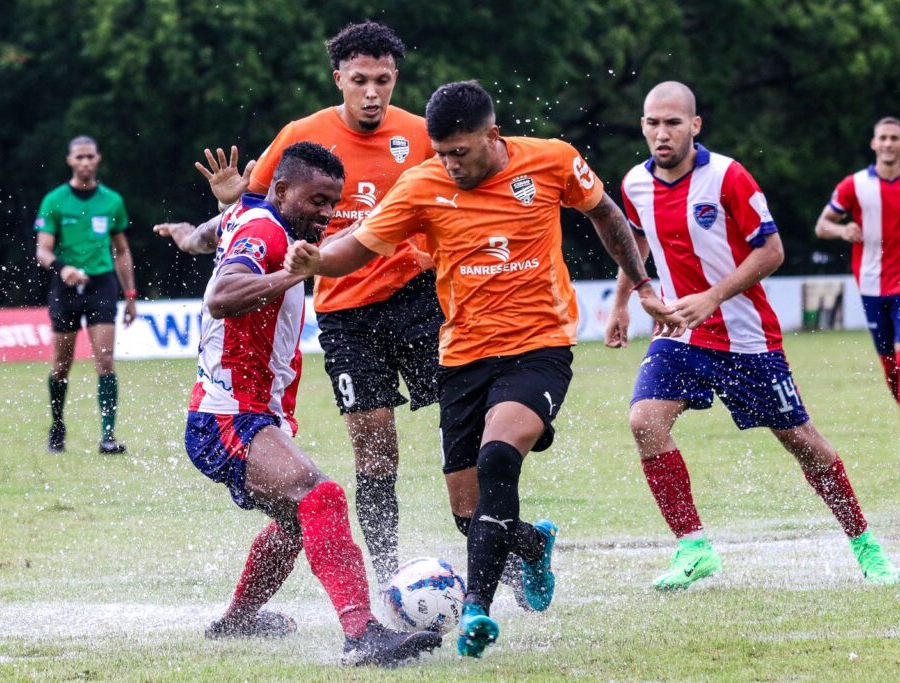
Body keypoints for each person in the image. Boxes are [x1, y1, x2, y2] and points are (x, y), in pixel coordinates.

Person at [285, 81, 676, 658]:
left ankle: (476, 613)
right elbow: (362, 246)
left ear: (492, 136)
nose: (450, 164)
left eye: (460, 152)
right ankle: (531, 544)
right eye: (441, 153)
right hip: (462, 357)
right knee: (471, 515)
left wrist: (640, 286)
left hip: (540, 347)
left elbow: (607, 214)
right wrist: (319, 259)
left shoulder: (551, 160)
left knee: (498, 458)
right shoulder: (422, 185)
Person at [157, 21, 443, 591]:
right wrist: (199, 230)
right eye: (358, 79)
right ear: (338, 78)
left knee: (469, 417)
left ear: (395, 80)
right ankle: (387, 577)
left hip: (419, 298)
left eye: (382, 80)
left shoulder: (424, 133)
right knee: (375, 449)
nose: (370, 92)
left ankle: (496, 536)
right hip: (344, 310)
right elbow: (251, 214)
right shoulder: (301, 135)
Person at [606, 81, 897, 592]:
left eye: (673, 122)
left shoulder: (727, 176)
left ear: (695, 126)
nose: (662, 132)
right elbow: (638, 243)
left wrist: (713, 297)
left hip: (747, 338)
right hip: (680, 332)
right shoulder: (634, 183)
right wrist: (622, 303)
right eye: (653, 122)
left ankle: (865, 544)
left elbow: (773, 251)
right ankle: (694, 548)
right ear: (643, 127)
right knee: (644, 421)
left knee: (802, 443)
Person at [182, 141, 441, 666]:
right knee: (319, 496)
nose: (326, 213)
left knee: (298, 523)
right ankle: (361, 635)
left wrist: (233, 205)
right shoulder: (266, 232)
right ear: (280, 190)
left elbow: (236, 228)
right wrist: (292, 274)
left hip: (249, 412)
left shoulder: (262, 217)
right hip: (227, 416)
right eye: (316, 200)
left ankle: (240, 620)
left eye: (333, 202)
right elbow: (221, 295)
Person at [34, 135, 137, 454]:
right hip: (64, 287)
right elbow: (42, 250)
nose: (85, 162)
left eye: (89, 156)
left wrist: (131, 294)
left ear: (98, 159)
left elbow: (121, 250)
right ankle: (57, 424)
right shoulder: (54, 200)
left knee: (105, 360)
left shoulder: (111, 201)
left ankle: (107, 435)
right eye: (79, 157)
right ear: (70, 161)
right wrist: (63, 268)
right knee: (61, 365)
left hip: (101, 284)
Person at [816, 116, 900, 406]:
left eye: (895, 138)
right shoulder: (854, 185)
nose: (889, 143)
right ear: (874, 144)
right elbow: (822, 225)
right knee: (890, 366)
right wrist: (843, 229)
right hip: (871, 286)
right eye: (884, 138)